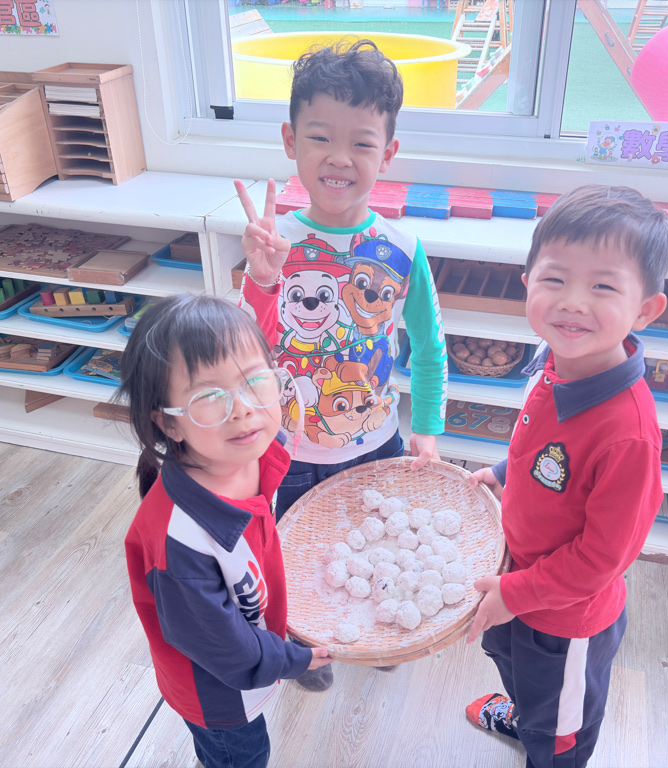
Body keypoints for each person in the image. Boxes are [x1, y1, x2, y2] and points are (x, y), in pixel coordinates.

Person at [233, 39, 449, 690]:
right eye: (320, 137)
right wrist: (261, 280)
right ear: (290, 140)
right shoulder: (275, 242)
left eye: (361, 142)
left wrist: (427, 427)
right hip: (289, 451)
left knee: (375, 551)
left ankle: (377, 632)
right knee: (298, 564)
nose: (339, 157)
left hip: (376, 445)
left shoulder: (403, 248)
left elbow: (429, 347)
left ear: (388, 153)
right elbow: (244, 351)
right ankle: (305, 647)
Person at [464, 184, 668, 768]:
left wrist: (515, 594)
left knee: (561, 728)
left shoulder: (628, 434)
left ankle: (548, 746)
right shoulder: (555, 361)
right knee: (514, 668)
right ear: (527, 281)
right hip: (517, 579)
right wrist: (502, 473)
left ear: (645, 309)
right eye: (555, 279)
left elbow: (602, 559)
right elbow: (547, 455)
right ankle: (527, 714)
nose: (573, 302)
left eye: (603, 287)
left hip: (565, 620)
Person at [120, 294, 331, 768]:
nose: (243, 408)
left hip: (252, 642)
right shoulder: (181, 542)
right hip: (217, 692)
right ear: (169, 423)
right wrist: (292, 660)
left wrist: (263, 282)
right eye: (209, 397)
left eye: (254, 381)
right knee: (243, 756)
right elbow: (225, 650)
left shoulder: (250, 454)